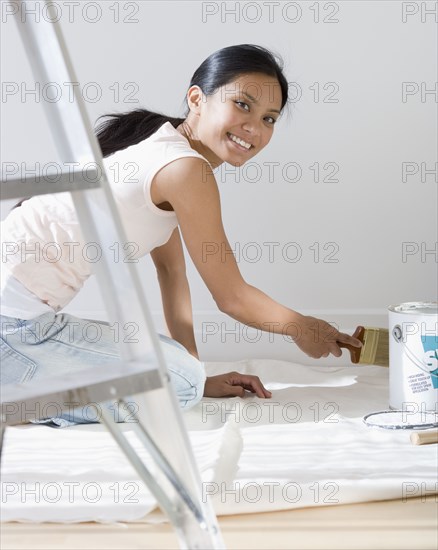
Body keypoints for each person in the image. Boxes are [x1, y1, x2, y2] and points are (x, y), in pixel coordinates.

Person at [0, 44, 361, 426]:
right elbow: (233, 297)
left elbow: (172, 275)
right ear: (196, 99)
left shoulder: (162, 149)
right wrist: (302, 328)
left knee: (184, 377)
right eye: (242, 104)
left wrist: (197, 375)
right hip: (14, 326)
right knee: (180, 383)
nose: (254, 128)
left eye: (269, 118)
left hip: (17, 320)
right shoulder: (185, 169)